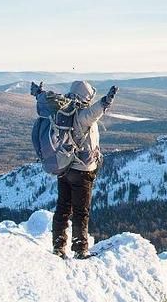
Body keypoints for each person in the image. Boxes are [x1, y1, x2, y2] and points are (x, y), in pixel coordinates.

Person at [30, 80, 118, 259]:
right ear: (86, 97)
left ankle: (58, 246)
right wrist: (105, 102)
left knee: (63, 207)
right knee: (80, 211)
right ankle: (80, 249)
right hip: (83, 171)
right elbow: (94, 113)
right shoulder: (81, 114)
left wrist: (38, 93)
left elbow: (46, 99)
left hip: (65, 167)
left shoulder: (61, 109)